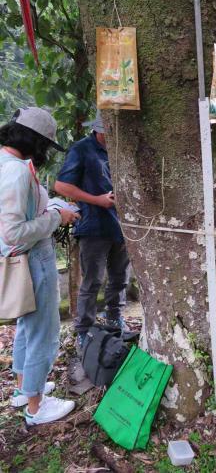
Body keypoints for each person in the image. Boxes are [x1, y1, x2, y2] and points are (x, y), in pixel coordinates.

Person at [0, 107, 79, 425]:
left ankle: (23, 389)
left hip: (22, 260)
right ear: (34, 141)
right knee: (45, 332)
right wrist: (57, 217)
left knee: (27, 328)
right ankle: (36, 406)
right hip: (33, 259)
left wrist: (49, 209)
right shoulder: (17, 172)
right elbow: (13, 231)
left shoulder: (7, 164)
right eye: (45, 145)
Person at [55, 110, 130, 351]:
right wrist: (96, 200)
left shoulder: (121, 147)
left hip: (123, 224)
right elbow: (61, 185)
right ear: (97, 130)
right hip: (94, 224)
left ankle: (114, 318)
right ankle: (84, 330)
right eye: (106, 132)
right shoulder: (82, 149)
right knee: (93, 280)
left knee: (119, 278)